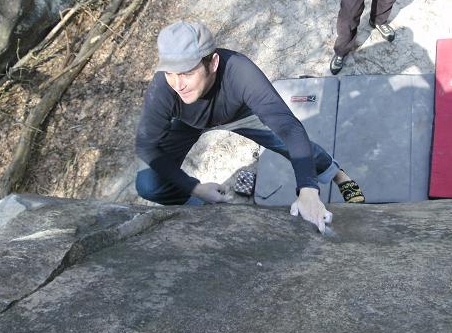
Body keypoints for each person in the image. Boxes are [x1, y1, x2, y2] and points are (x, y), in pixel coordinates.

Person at [135, 21, 365, 233]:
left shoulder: (240, 72)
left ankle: (337, 174)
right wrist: (194, 187)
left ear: (213, 63)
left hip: (238, 114)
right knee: (148, 186)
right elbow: (146, 146)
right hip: (188, 123)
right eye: (170, 73)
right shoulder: (164, 87)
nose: (178, 84)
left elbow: (289, 128)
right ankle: (202, 206)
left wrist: (308, 188)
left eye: (187, 73)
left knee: (286, 142)